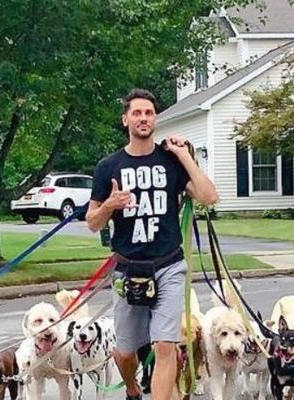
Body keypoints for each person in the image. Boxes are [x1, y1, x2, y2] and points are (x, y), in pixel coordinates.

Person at [86, 88, 218, 400]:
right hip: (128, 269)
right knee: (125, 351)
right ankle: (132, 388)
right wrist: (110, 206)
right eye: (137, 113)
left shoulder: (170, 161)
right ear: (125, 120)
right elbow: (92, 222)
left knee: (165, 345)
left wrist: (184, 155)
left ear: (155, 119)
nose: (143, 118)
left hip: (168, 265)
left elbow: (209, 196)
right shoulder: (108, 166)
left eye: (149, 113)